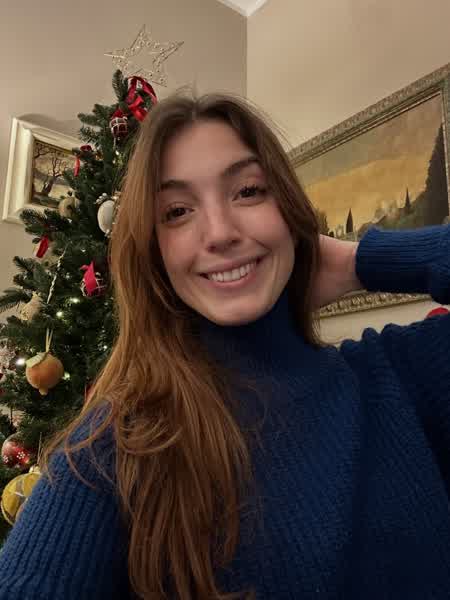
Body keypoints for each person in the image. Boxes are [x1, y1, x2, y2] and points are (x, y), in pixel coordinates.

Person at [0, 90, 449, 600]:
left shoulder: (401, 375)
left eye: (249, 191)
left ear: (288, 210)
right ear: (154, 251)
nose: (219, 233)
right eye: (177, 211)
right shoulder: (116, 447)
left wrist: (362, 261)